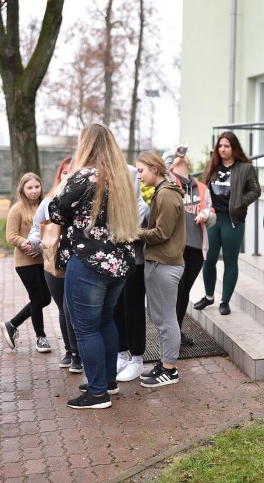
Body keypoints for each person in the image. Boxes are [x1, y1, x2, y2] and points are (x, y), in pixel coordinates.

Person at [49, 123, 140, 410]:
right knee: (105, 322)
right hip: (119, 261)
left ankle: (97, 392)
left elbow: (55, 212)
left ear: (85, 145)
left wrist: (64, 183)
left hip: (88, 261)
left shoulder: (84, 177)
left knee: (86, 328)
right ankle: (108, 382)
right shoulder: (121, 177)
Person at [193, 131, 261, 316]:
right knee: (209, 259)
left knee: (230, 262)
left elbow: (255, 190)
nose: (222, 149)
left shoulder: (245, 168)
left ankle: (225, 301)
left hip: (233, 221)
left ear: (234, 148)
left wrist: (240, 202)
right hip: (213, 219)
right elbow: (204, 188)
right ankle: (208, 296)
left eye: (226, 146)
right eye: (220, 146)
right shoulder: (213, 166)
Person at [135, 151, 187, 388]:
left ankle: (170, 369)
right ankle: (166, 363)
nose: (138, 176)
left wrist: (135, 234)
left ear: (154, 169)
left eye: (141, 170)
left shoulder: (166, 194)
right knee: (161, 317)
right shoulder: (164, 191)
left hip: (164, 264)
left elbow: (161, 233)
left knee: (166, 319)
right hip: (162, 262)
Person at [28, 157, 84, 372]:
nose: (66, 176)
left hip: (76, 260)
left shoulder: (83, 200)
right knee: (63, 308)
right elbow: (36, 228)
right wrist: (33, 242)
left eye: (72, 172)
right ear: (59, 175)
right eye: (63, 172)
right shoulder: (48, 201)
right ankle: (70, 351)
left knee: (73, 308)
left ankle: (79, 353)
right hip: (53, 261)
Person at [163, 145, 216, 347]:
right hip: (176, 247)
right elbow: (161, 166)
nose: (180, 158)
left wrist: (206, 214)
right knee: (175, 290)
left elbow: (213, 215)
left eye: (184, 157)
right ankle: (171, 333)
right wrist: (173, 154)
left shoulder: (202, 188)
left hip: (195, 248)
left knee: (184, 291)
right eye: (176, 159)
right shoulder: (170, 182)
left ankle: (177, 329)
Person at [1, 173, 53, 353]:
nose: (33, 191)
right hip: (25, 261)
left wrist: (41, 247)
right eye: (29, 187)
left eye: (36, 187)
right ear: (22, 189)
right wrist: (27, 244)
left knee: (46, 298)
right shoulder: (17, 209)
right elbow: (11, 235)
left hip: (43, 259)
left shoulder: (44, 206)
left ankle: (13, 324)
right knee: (37, 297)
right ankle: (41, 337)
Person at [113, 164, 151, 383]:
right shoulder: (114, 206)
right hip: (115, 266)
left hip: (134, 266)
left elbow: (125, 233)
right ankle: (121, 353)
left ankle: (137, 359)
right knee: (117, 310)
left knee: (133, 311)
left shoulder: (141, 206)